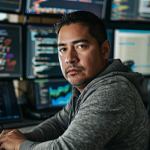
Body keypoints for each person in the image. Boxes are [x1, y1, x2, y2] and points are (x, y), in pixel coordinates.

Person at [0, 11, 150, 150]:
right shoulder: (87, 87)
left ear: (105, 50)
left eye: (80, 46)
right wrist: (26, 137)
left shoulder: (113, 91)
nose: (69, 58)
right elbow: (59, 123)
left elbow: (67, 148)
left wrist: (20, 145)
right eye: (63, 49)